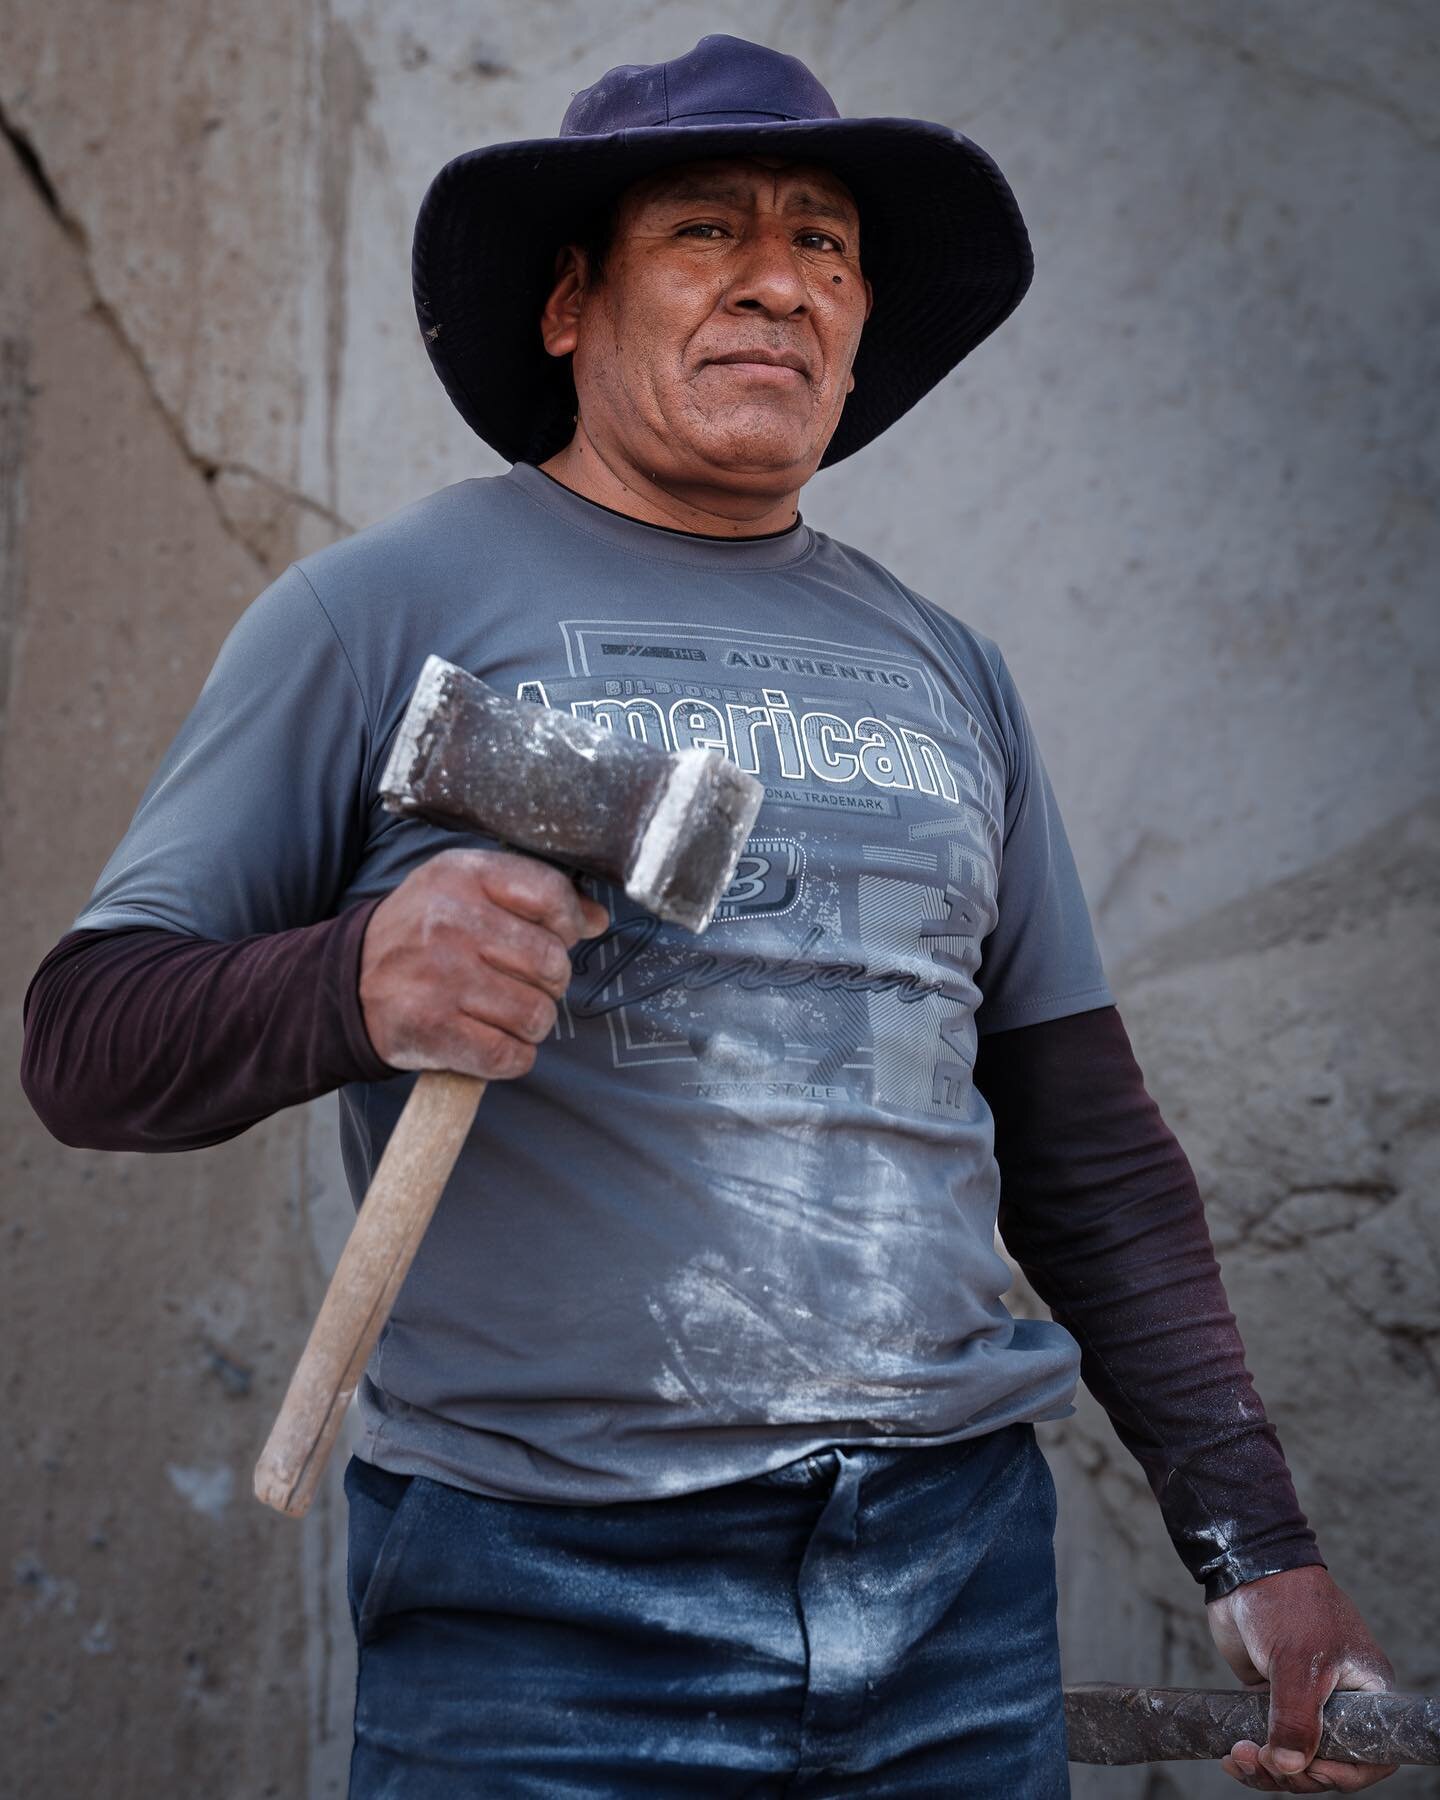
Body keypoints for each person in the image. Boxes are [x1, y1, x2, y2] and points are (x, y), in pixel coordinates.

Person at [23, 34, 1395, 1799]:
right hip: (544, 1599)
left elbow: (1083, 1143)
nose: (780, 279)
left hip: (953, 1582)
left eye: (824, 244)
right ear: (565, 309)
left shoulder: (948, 671)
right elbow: (86, 1041)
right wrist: (359, 978)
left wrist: (1255, 1543)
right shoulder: (376, 615)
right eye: (708, 232)